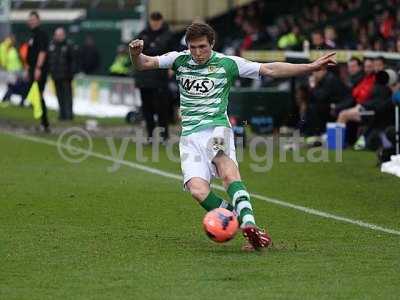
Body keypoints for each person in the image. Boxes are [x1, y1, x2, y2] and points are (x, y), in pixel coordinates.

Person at [128, 22, 336, 250]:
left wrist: (310, 67)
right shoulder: (179, 59)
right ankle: (244, 223)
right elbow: (144, 63)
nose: (198, 53)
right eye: (193, 47)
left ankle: (249, 223)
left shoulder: (228, 63)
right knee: (197, 190)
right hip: (189, 136)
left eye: (203, 47)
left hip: (217, 128)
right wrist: (135, 53)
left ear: (212, 44)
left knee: (226, 172)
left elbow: (269, 69)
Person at [135, 12, 173, 141]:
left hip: (160, 77)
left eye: (157, 21)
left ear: (161, 21)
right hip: (145, 78)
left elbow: (172, 53)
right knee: (147, 109)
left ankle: (164, 135)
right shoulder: (142, 34)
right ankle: (150, 135)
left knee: (162, 108)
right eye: (153, 21)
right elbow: (136, 54)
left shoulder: (168, 35)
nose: (155, 24)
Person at [25, 11, 50, 132]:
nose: (31, 22)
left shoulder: (41, 34)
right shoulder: (32, 35)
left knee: (38, 94)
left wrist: (38, 68)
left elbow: (42, 52)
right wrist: (28, 68)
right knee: (35, 96)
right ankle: (42, 122)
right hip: (32, 68)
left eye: (33, 19)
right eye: (30, 20)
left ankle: (44, 123)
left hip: (39, 69)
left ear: (38, 20)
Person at [48, 27, 77, 120]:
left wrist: (71, 73)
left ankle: (69, 115)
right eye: (57, 35)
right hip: (56, 76)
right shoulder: (52, 46)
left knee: (67, 96)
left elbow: (73, 60)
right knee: (59, 96)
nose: (59, 37)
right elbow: (50, 60)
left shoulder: (69, 45)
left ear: (64, 35)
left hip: (66, 76)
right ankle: (62, 114)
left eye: (60, 35)